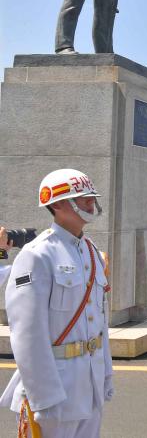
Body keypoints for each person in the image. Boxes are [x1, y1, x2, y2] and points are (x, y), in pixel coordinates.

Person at [0, 169, 113, 438]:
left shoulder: (91, 251)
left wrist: (106, 374)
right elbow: (28, 335)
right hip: (56, 389)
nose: (90, 202)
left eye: (90, 196)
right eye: (82, 197)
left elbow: (99, 320)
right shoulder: (37, 255)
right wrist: (44, 397)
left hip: (89, 382)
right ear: (59, 205)